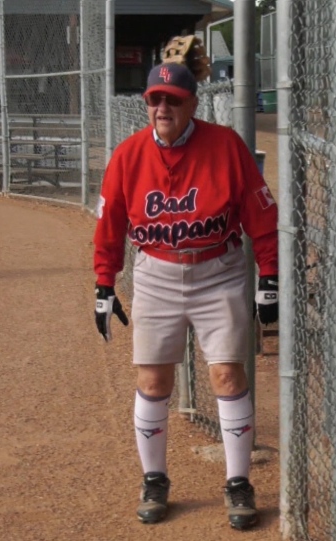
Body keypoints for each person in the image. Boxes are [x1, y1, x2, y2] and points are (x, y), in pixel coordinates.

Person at [92, 61, 278, 530]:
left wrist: (269, 276)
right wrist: (104, 282)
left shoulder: (226, 146)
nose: (162, 107)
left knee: (228, 377)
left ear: (193, 102)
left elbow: (260, 214)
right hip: (155, 272)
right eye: (155, 99)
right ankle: (154, 478)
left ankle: (238, 483)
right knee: (154, 381)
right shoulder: (129, 155)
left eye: (172, 99)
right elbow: (110, 224)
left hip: (219, 269)